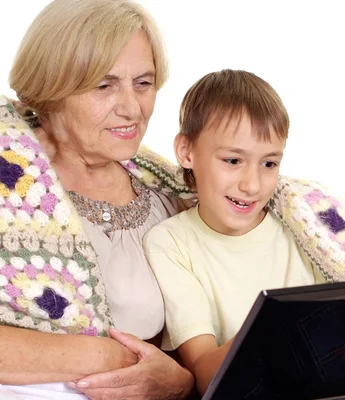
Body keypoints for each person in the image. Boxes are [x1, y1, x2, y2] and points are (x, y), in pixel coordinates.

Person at [0, 0, 198, 399]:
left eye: (143, 83)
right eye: (104, 85)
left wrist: (180, 382)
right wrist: (105, 357)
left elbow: (195, 336)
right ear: (51, 88)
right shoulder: (11, 176)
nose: (132, 108)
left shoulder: (171, 196)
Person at [143, 69, 345, 396]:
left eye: (269, 164)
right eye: (232, 160)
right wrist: (274, 331)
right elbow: (203, 373)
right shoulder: (171, 242)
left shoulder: (302, 227)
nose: (252, 185)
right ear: (187, 152)